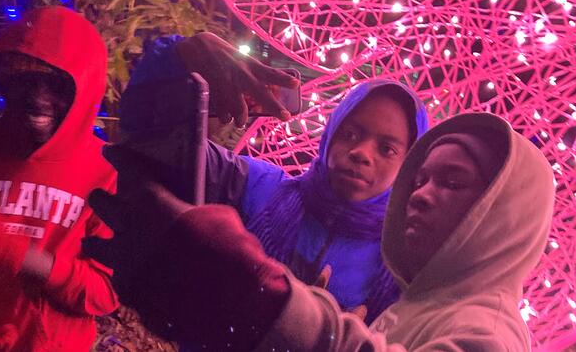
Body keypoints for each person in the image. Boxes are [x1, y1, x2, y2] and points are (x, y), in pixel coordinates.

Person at [84, 111, 555, 351]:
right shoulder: (424, 298)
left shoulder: (487, 330)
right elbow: (166, 144)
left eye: (452, 183)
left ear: (503, 217)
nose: (421, 194)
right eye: (423, 178)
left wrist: (272, 303)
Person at [128, 33, 429, 323]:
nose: (362, 153)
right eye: (351, 133)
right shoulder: (256, 188)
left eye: (387, 149)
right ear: (330, 135)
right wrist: (180, 60)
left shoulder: (402, 269)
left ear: (408, 165)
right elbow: (155, 143)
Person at [0, 6, 119, 351]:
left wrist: (20, 256)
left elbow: (106, 294)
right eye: (26, 79)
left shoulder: (106, 171)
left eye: (57, 85)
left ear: (84, 89)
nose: (38, 98)